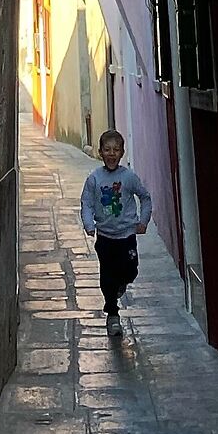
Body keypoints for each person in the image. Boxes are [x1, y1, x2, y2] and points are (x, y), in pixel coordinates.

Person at [80, 130, 152, 332]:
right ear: (100, 152)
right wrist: (89, 224)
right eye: (107, 149)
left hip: (126, 236)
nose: (111, 153)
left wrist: (143, 221)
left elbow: (145, 197)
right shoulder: (94, 179)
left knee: (131, 269)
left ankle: (121, 285)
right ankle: (112, 312)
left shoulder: (128, 177)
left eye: (116, 150)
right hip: (105, 238)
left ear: (122, 153)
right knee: (107, 276)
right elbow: (86, 203)